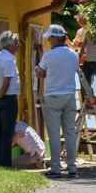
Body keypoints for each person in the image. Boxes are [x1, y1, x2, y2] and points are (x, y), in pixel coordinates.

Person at [36, 23, 83, 178]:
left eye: (50, 38)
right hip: (70, 96)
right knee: (70, 132)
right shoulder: (73, 55)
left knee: (54, 133)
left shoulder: (49, 55)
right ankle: (72, 167)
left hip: (52, 95)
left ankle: (56, 168)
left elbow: (40, 72)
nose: (49, 41)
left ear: (55, 38)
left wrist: (38, 70)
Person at [0, 29, 22, 168]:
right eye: (16, 42)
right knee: (7, 132)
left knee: (0, 130)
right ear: (9, 45)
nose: (18, 44)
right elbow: (6, 83)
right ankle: (5, 163)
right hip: (7, 98)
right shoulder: (9, 60)